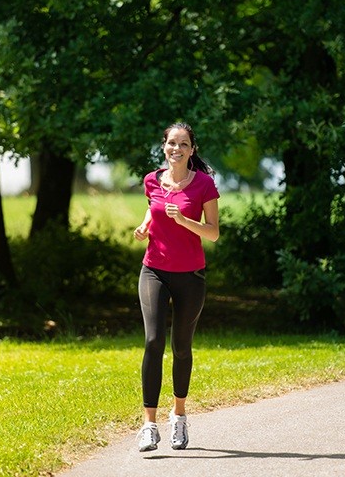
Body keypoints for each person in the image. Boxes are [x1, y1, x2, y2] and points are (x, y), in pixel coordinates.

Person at [132, 122, 220, 451]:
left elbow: (213, 232)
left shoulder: (204, 185)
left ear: (192, 150)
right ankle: (149, 425)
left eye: (183, 144)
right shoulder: (152, 180)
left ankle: (179, 416)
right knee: (153, 341)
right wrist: (144, 226)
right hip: (153, 269)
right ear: (164, 146)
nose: (177, 148)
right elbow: (152, 209)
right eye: (172, 143)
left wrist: (183, 220)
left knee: (181, 347)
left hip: (190, 275)